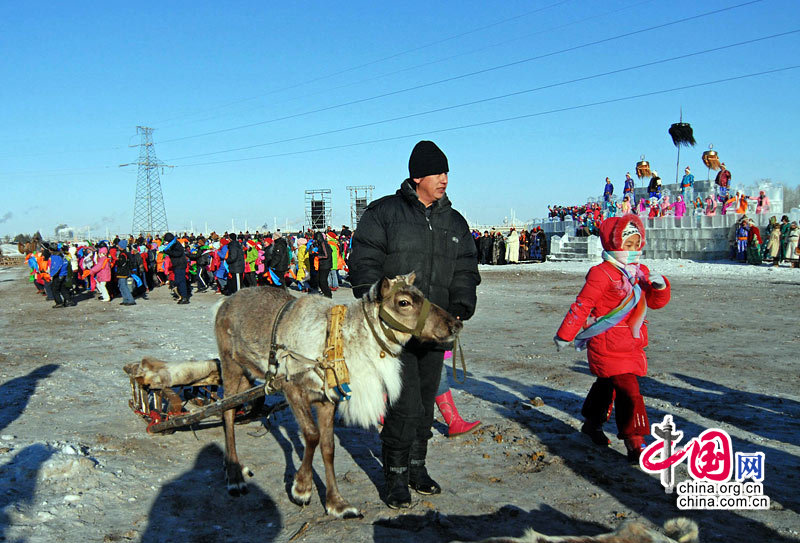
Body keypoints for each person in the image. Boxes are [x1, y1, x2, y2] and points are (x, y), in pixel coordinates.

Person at [348, 140, 480, 509]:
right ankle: (395, 476)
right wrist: (376, 299)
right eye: (438, 172)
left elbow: (466, 266)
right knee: (403, 408)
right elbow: (365, 259)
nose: (445, 179)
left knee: (424, 404)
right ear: (418, 175)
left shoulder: (454, 221)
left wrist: (461, 302)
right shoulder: (384, 214)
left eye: (447, 172)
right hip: (396, 331)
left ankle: (417, 468)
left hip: (435, 328)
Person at [553, 214, 671, 463]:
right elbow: (583, 304)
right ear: (614, 244)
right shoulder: (601, 273)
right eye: (628, 244)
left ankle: (592, 423)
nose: (633, 249)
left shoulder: (640, 272)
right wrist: (566, 334)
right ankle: (635, 441)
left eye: (637, 243)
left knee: (607, 385)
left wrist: (661, 288)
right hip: (606, 343)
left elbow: (653, 303)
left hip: (631, 342)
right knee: (629, 390)